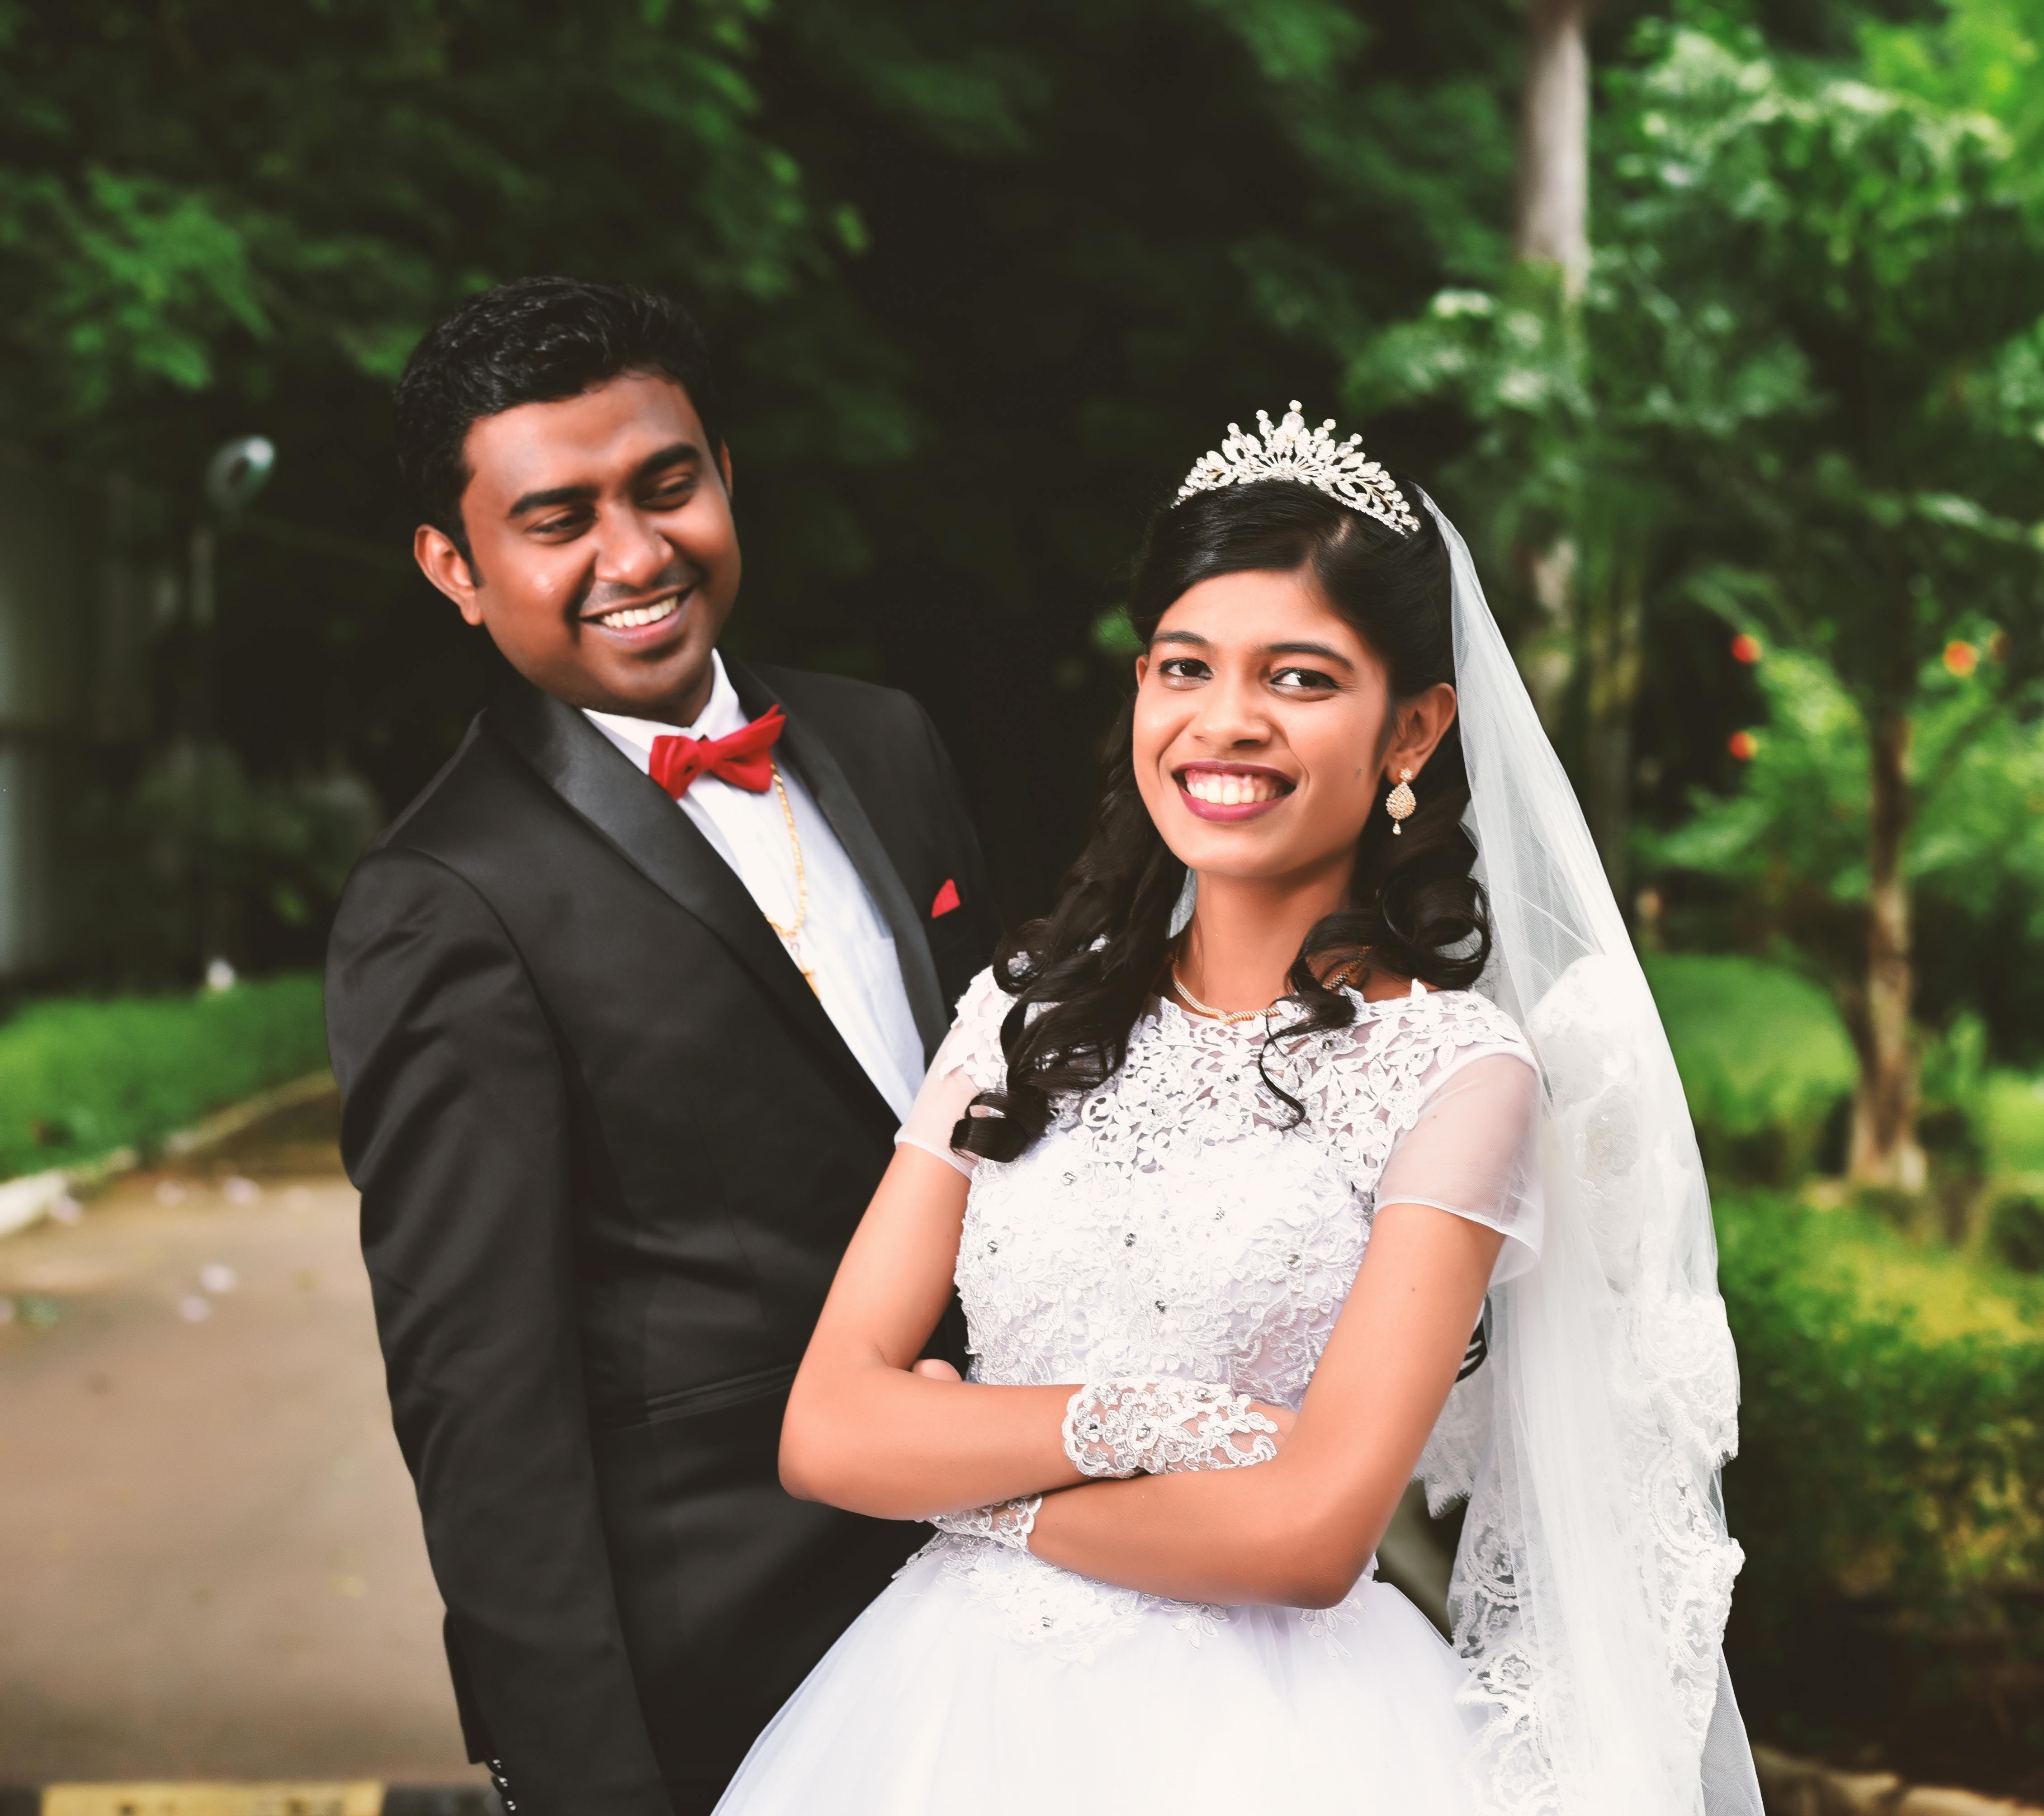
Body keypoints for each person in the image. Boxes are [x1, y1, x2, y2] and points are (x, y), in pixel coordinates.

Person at [716, 406, 1761, 1815]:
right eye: (1186, 667)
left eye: (1300, 677)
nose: (1227, 723)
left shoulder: (1454, 1075)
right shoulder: (1019, 1012)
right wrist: (1124, 1420)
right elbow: (828, 1428)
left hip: (1279, 1740)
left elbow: (1314, 1533)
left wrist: (971, 1480)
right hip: (941, 1720)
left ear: (1413, 729)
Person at [323, 276, 997, 1816]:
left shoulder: (887, 741)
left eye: (665, 484)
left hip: (1024, 1580)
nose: (635, 556)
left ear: (723, 477)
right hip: (733, 1661)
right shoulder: (442, 902)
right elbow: (481, 1409)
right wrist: (578, 1778)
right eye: (558, 519)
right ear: (456, 566)